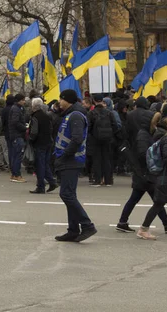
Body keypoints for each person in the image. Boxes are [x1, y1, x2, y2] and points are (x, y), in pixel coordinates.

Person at [116, 111, 167, 234]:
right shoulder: (144, 135)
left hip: (143, 172)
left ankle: (123, 222)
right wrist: (152, 161)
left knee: (141, 198)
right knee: (157, 199)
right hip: (144, 171)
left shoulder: (145, 133)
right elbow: (142, 153)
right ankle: (165, 224)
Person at [53, 89, 97, 243]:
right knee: (69, 194)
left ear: (68, 100)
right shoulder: (69, 114)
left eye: (61, 99)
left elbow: (77, 139)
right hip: (67, 160)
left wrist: (64, 155)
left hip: (71, 160)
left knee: (67, 194)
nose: (59, 102)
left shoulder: (76, 115)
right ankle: (73, 230)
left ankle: (87, 225)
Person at [88, 94, 119, 186]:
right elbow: (115, 126)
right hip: (108, 139)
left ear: (94, 101)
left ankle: (97, 180)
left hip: (95, 139)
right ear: (102, 101)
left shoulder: (91, 113)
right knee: (107, 159)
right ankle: (108, 180)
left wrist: (93, 134)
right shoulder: (109, 113)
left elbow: (88, 127)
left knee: (97, 159)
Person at [28, 98, 58, 194]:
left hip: (39, 143)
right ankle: (52, 182)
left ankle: (41, 186)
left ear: (33, 106)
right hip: (48, 141)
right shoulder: (47, 115)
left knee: (39, 165)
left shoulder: (35, 117)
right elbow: (50, 128)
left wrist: (30, 139)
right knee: (45, 164)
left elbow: (34, 132)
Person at [9, 93, 27, 183]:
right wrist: (25, 128)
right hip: (17, 135)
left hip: (15, 134)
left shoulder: (16, 108)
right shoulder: (16, 109)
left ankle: (14, 174)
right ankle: (17, 175)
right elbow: (15, 122)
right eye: (23, 100)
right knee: (17, 156)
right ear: (19, 100)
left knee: (15, 155)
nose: (24, 101)